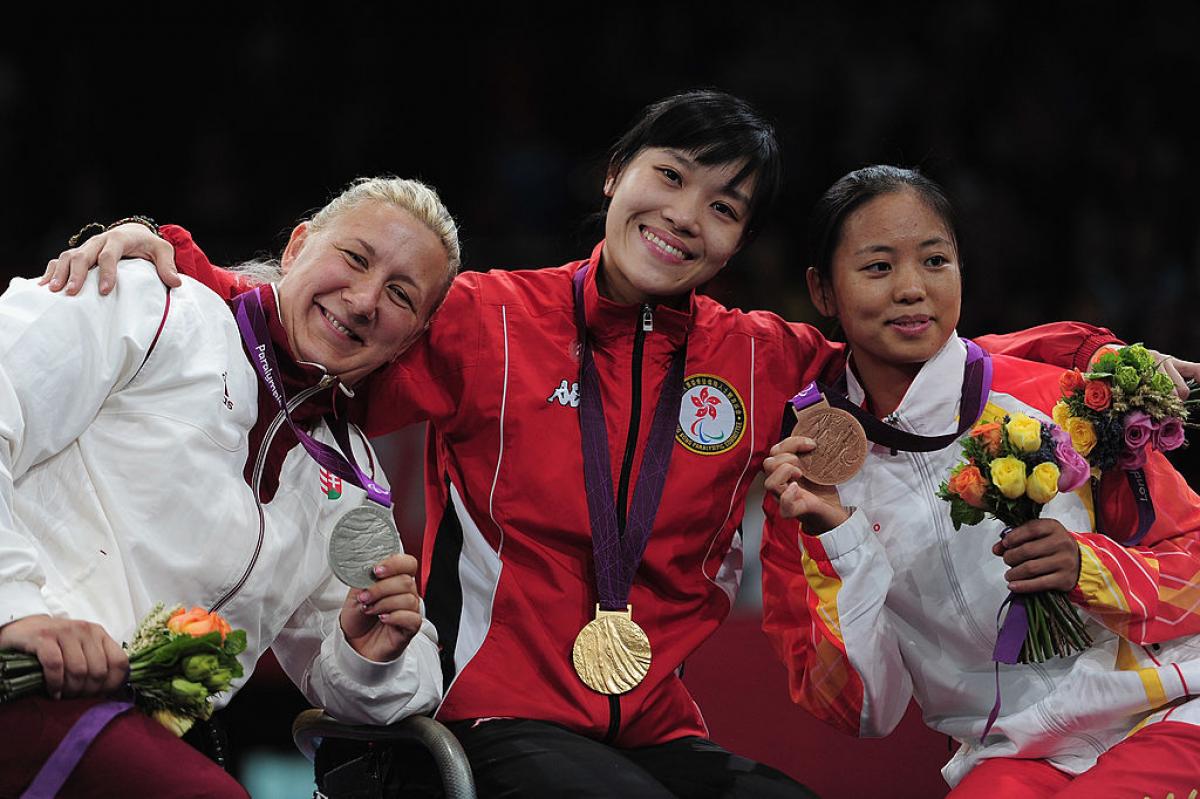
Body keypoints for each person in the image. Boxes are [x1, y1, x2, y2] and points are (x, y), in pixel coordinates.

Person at [45, 91, 1153, 798]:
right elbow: (317, 317)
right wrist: (174, 255)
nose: (685, 215)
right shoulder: (486, 318)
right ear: (615, 177)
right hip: (489, 713)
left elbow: (918, 347)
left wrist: (1104, 359)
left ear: (737, 242)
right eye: (669, 177)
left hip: (659, 720)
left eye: (723, 206)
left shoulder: (761, 357)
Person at [0, 177, 458, 797]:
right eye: (355, 258)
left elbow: (379, 686)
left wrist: (368, 655)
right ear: (297, 247)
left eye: (401, 295)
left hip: (139, 731)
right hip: (25, 676)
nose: (364, 299)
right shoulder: (149, 303)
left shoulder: (355, 483)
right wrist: (18, 608)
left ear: (410, 338)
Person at [760, 165, 1200, 798]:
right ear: (822, 291)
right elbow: (863, 711)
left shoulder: (1059, 399)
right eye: (878, 267)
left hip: (1164, 708)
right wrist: (840, 541)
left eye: (935, 260)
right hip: (1014, 755)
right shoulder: (811, 487)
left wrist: (1091, 569)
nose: (913, 289)